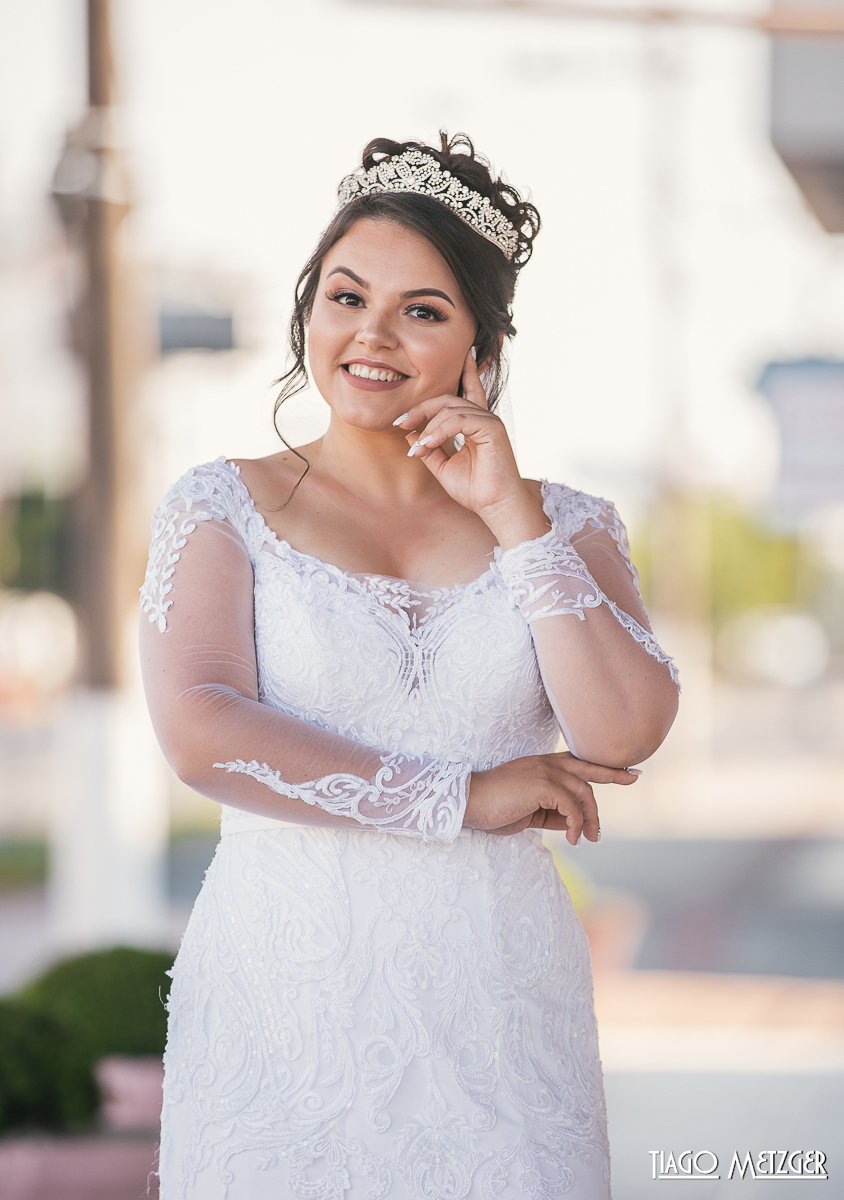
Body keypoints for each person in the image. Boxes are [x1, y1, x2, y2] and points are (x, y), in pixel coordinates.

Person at [141, 134, 679, 1200]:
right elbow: (201, 733)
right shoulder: (222, 506)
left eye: (421, 310)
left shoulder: (568, 526)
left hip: (501, 1002)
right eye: (346, 297)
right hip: (283, 1003)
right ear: (308, 313)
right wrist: (464, 796)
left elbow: (623, 733)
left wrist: (511, 517)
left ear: (483, 344)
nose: (371, 336)